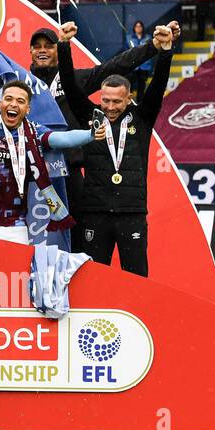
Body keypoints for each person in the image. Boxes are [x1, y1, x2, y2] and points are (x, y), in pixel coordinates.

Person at [57, 22, 177, 276]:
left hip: (131, 213)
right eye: (106, 100)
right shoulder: (90, 115)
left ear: (129, 97)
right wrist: (64, 47)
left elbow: (157, 87)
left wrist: (165, 52)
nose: (110, 107)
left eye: (117, 101)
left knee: (136, 280)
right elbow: (69, 86)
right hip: (94, 214)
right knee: (93, 280)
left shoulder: (142, 118)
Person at [28, 22, 166, 220]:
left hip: (69, 173)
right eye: (37, 46)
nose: (43, 50)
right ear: (30, 50)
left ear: (58, 49)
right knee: (31, 235)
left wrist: (152, 46)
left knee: (76, 237)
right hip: (31, 172)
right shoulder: (20, 84)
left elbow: (115, 66)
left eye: (48, 46)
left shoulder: (75, 79)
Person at [0, 79, 102, 245]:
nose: (13, 104)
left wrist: (90, 135)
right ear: (0, 103)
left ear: (28, 109)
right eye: (8, 99)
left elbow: (61, 138)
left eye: (20, 101)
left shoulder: (34, 132)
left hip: (14, 227)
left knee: (12, 272)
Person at [124, 20, 154, 98]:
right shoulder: (129, 38)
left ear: (142, 28)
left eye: (140, 26)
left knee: (142, 86)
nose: (138, 28)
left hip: (144, 66)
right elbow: (126, 52)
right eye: (137, 26)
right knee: (130, 85)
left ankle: (139, 103)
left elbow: (150, 51)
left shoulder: (148, 38)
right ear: (134, 28)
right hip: (133, 66)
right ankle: (130, 101)